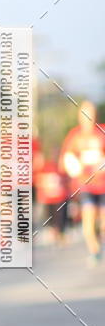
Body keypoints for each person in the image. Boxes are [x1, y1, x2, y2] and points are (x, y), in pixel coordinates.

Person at [59, 101, 105, 264]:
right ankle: (95, 251)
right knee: (88, 219)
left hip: (103, 184)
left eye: (91, 113)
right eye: (85, 114)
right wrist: (73, 167)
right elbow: (66, 158)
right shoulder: (75, 136)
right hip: (87, 186)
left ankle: (100, 238)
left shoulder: (101, 132)